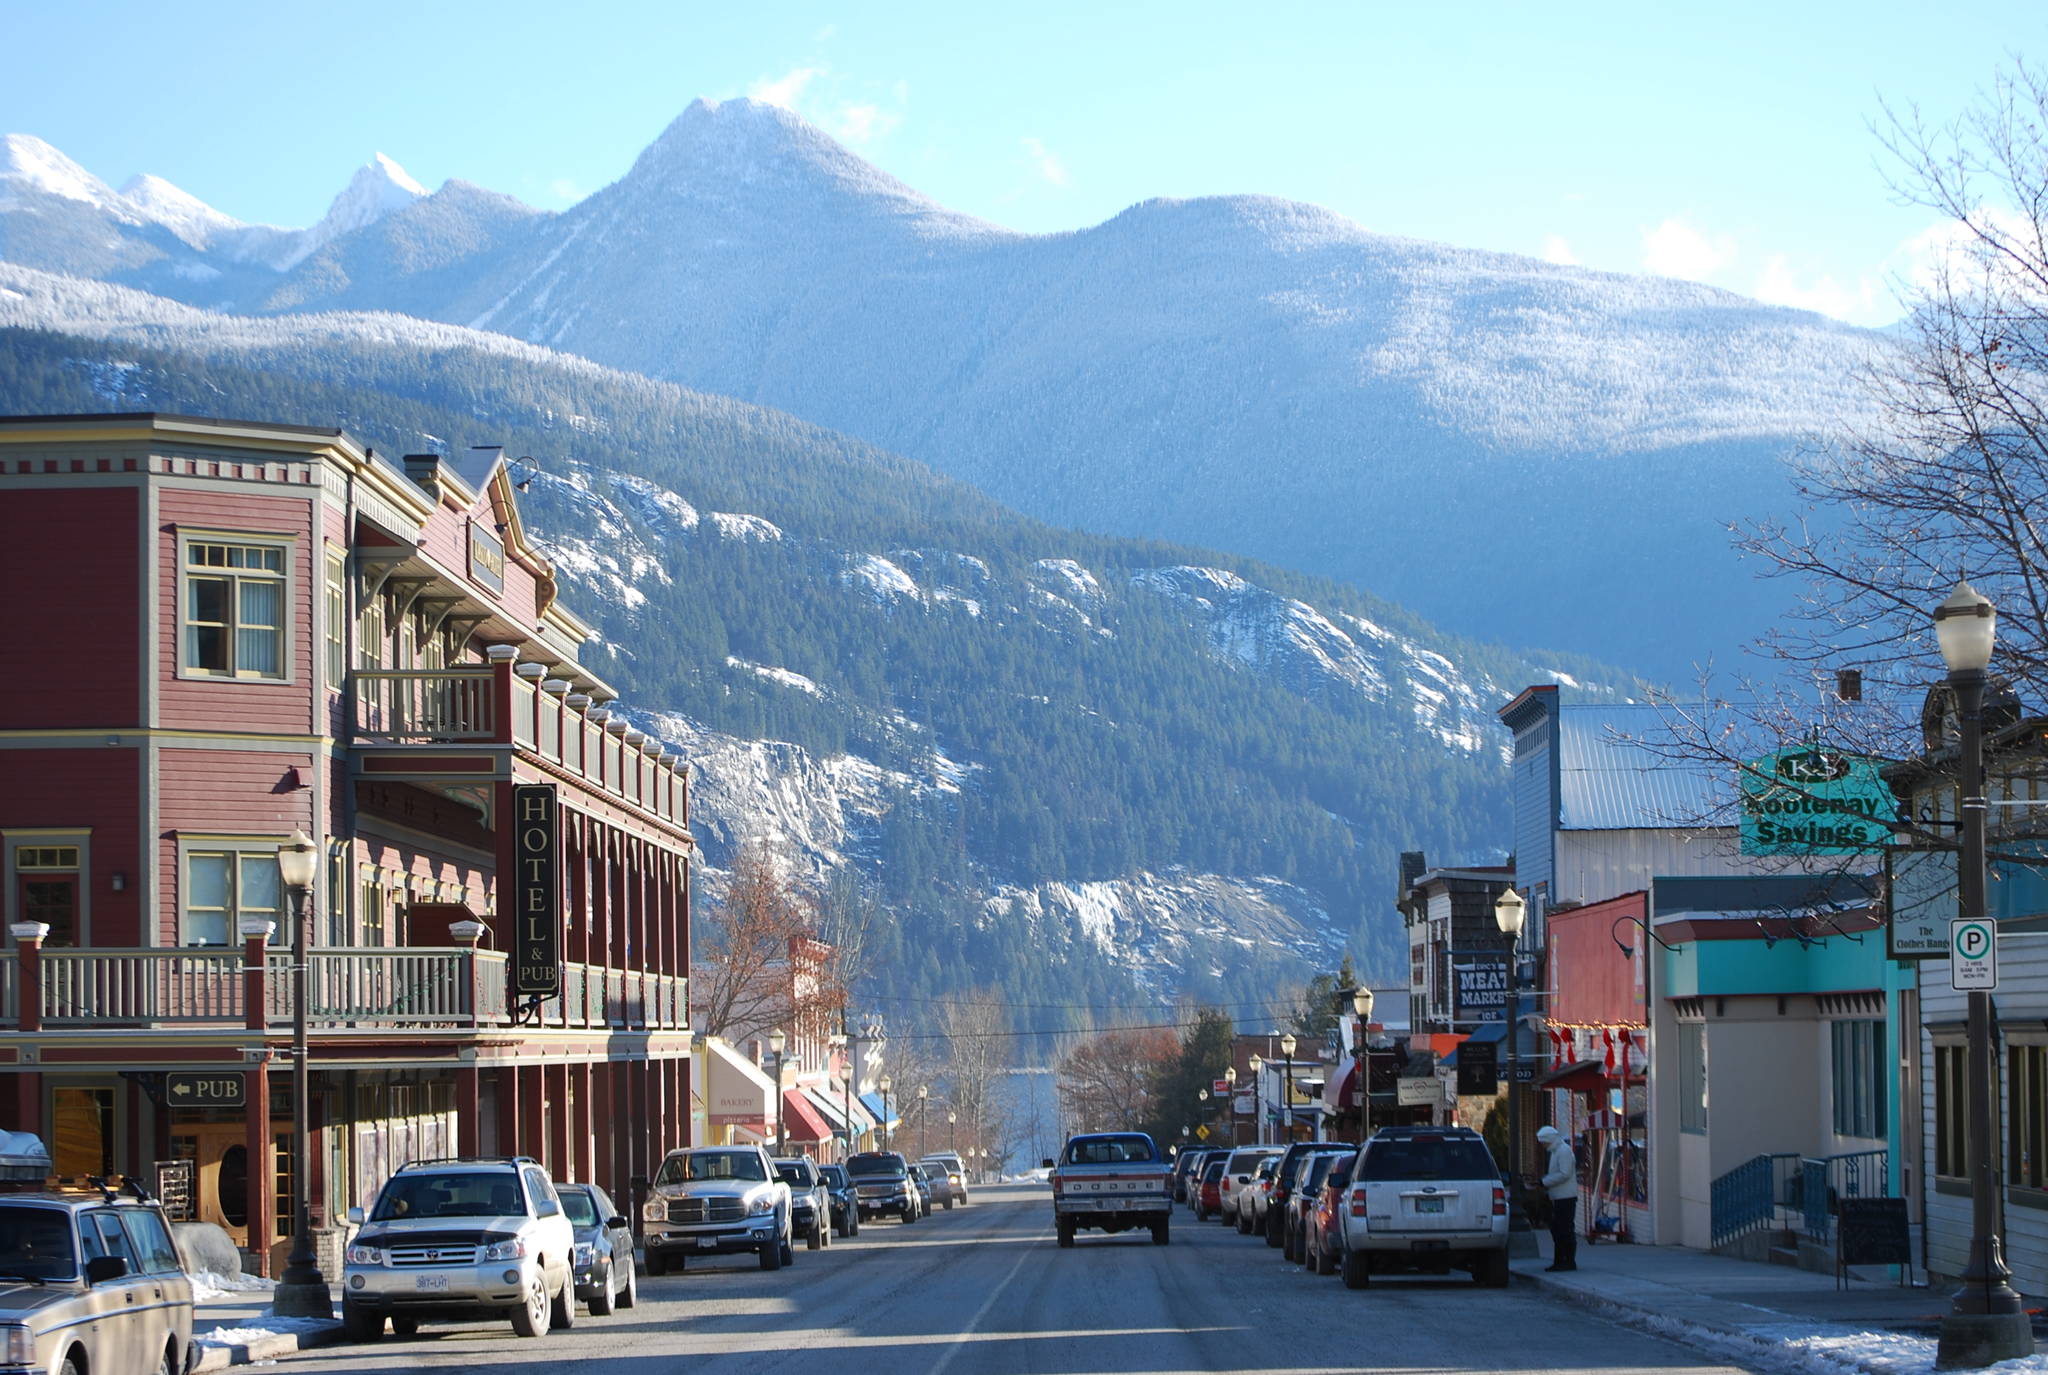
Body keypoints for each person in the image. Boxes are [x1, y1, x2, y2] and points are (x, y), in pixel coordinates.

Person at [1537, 1125, 1578, 1272]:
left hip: (1566, 1197)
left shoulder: (1563, 1151)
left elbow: (1565, 1174)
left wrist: (1544, 1182)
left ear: (1549, 1139)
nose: (1543, 1145)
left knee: (1564, 1230)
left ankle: (1568, 1261)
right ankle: (1559, 1260)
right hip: (1558, 1196)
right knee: (1557, 1230)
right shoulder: (1555, 1151)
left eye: (1543, 1142)